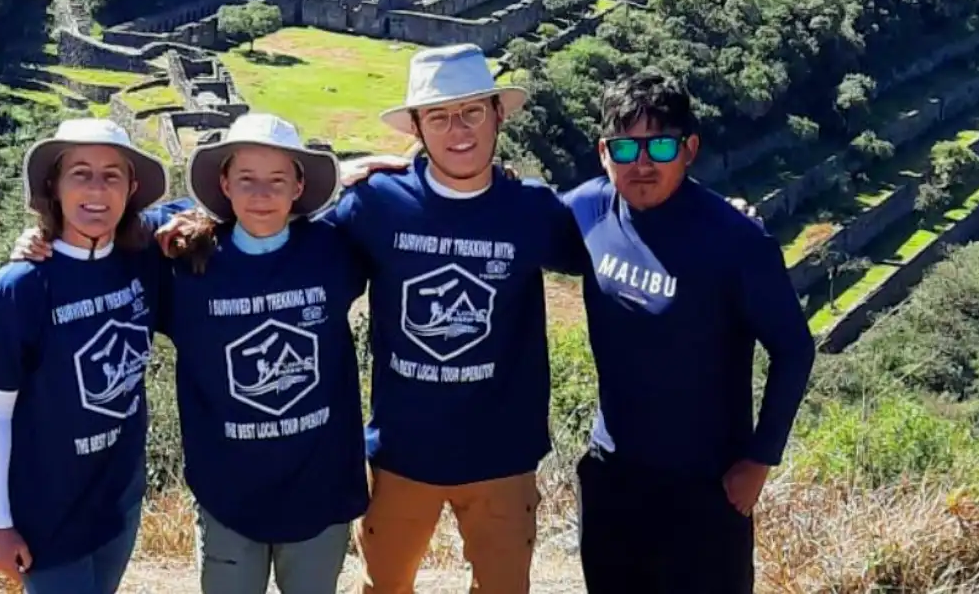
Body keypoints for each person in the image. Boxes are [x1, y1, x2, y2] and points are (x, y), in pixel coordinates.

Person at [15, 112, 370, 594]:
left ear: (299, 185)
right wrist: (43, 239)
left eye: (277, 179)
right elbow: (102, 232)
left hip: (321, 491)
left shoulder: (334, 248)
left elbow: (396, 222)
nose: (261, 194)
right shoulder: (183, 260)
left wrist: (367, 168)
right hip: (228, 495)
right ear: (223, 182)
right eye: (246, 178)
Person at [326, 44, 567, 594]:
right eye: (438, 116)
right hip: (402, 452)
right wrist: (331, 175)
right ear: (416, 126)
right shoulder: (376, 202)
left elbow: (618, 237)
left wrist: (718, 218)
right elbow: (283, 229)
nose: (457, 130)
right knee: (383, 586)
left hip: (502, 456)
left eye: (471, 112)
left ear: (497, 114)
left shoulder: (532, 210)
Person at [564, 70, 814, 593]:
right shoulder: (587, 211)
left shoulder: (736, 241)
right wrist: (389, 174)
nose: (643, 163)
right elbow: (497, 216)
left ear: (690, 148)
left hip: (707, 485)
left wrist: (760, 460)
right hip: (613, 475)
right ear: (603, 153)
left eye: (659, 144)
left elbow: (793, 350)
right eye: (625, 147)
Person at [0, 117, 170, 594]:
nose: (96, 189)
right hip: (49, 513)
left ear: (131, 187)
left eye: (111, 175)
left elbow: (230, 210)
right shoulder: (17, 290)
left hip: (118, 498)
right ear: (53, 185)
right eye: (80, 173)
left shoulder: (142, 257)